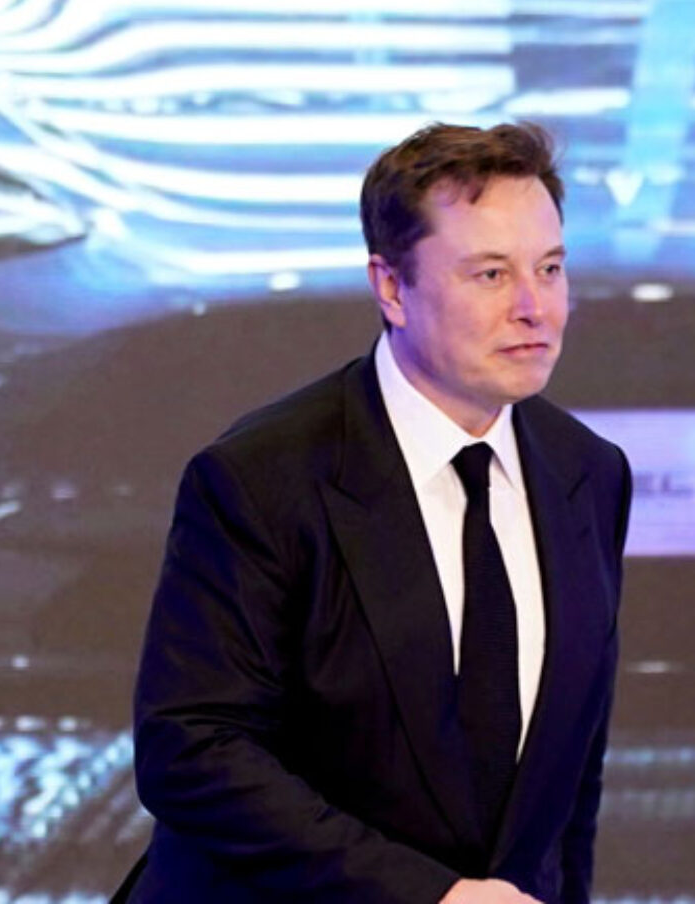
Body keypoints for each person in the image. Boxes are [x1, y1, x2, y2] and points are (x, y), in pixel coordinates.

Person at [122, 122, 632, 903]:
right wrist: (429, 897)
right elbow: (192, 749)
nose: (535, 308)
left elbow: (569, 782)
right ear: (391, 288)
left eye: (551, 268)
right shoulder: (261, 476)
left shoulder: (588, 473)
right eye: (491, 274)